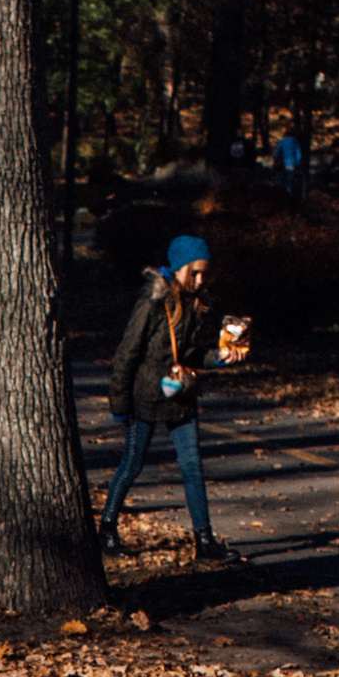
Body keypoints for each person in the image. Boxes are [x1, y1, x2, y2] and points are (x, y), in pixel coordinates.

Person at [98, 231, 244, 565]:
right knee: (132, 464)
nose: (200, 279)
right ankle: (106, 528)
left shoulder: (195, 303)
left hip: (179, 395)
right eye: (194, 272)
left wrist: (220, 358)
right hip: (146, 397)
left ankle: (204, 540)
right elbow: (126, 355)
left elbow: (189, 353)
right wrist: (120, 406)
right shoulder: (151, 302)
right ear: (177, 268)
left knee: (193, 467)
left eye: (205, 272)